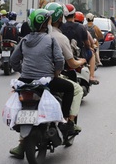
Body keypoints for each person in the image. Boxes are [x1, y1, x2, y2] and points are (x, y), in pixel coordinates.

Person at [9, 9, 76, 158]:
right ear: (45, 24)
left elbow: (13, 61)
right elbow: (59, 60)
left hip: (25, 81)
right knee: (69, 88)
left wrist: (24, 72)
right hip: (46, 81)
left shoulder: (24, 40)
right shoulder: (50, 39)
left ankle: (21, 141)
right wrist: (56, 73)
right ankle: (64, 120)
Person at [45, 3, 86, 130]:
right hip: (50, 77)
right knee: (76, 89)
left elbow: (16, 61)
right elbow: (66, 63)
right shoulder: (59, 38)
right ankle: (67, 121)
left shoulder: (29, 37)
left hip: (28, 79)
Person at [61, 5, 99, 85]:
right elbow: (87, 43)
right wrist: (90, 48)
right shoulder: (82, 28)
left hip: (63, 54)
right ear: (74, 15)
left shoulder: (61, 27)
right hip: (80, 54)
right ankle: (91, 76)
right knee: (92, 54)